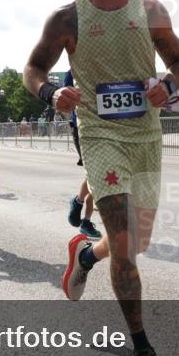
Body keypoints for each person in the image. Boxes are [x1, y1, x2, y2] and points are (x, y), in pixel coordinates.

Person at [23, 0, 179, 356]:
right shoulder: (68, 19)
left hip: (145, 134)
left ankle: (84, 255)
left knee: (137, 241)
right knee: (123, 239)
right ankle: (143, 353)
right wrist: (50, 91)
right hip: (98, 134)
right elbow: (33, 67)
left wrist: (169, 84)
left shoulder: (151, 9)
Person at [64, 71, 101, 240]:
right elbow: (65, 102)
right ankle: (84, 216)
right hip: (83, 128)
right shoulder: (71, 73)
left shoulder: (107, 67)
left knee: (99, 172)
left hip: (106, 127)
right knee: (96, 172)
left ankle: (80, 206)